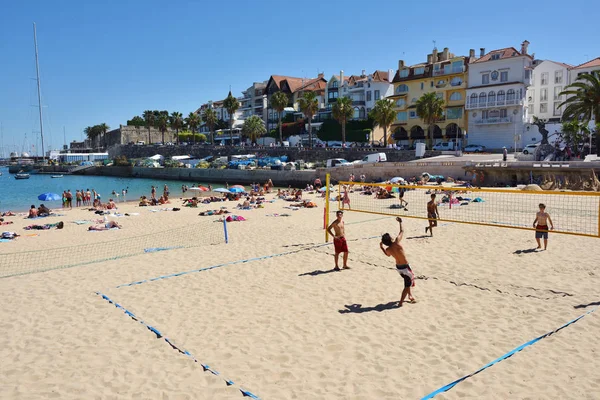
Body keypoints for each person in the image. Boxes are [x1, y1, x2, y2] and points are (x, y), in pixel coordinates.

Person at [380, 217, 416, 307]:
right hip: (405, 267)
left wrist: (381, 248)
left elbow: (387, 255)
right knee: (407, 285)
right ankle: (400, 303)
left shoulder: (388, 249)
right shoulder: (396, 242)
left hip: (399, 268)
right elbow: (402, 231)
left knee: (407, 281)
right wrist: (400, 222)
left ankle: (410, 295)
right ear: (390, 238)